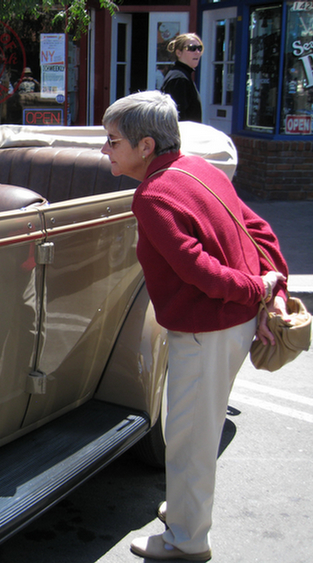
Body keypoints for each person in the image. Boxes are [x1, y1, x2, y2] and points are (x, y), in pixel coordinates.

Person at [101, 90, 288, 561]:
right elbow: (258, 230)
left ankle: (187, 539)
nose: (105, 150)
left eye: (112, 140)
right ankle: (186, 509)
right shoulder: (201, 169)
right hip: (230, 325)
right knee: (196, 428)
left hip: (207, 331)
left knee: (189, 439)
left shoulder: (153, 195)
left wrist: (261, 293)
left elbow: (198, 271)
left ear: (146, 146)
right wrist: (269, 293)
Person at [160, 33, 204, 122]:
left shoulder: (182, 75)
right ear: (179, 53)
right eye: (191, 48)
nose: (197, 52)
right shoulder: (179, 78)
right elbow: (178, 119)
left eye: (199, 48)